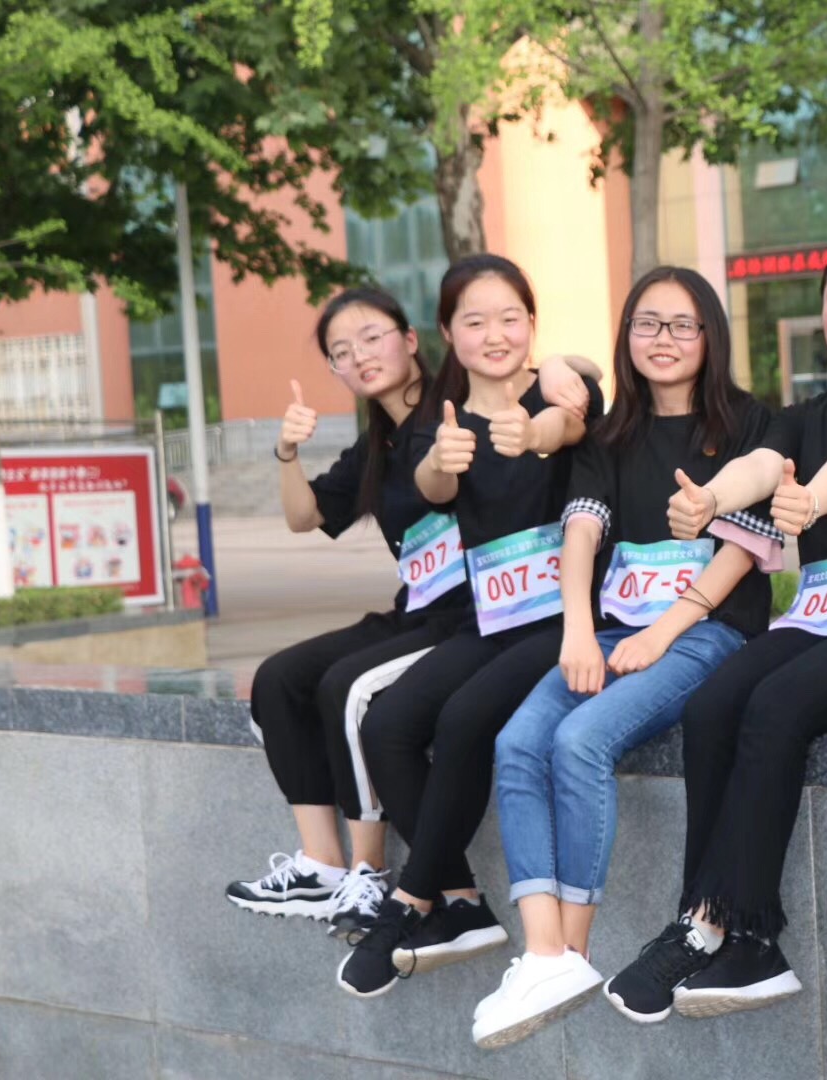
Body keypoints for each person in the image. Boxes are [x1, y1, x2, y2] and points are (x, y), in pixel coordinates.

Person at [602, 235, 827, 1024]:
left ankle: (748, 935)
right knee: (714, 703)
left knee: (778, 704)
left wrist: (811, 500)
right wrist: (711, 499)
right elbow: (759, 467)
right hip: (821, 611)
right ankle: (700, 920)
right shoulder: (803, 416)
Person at [470, 267, 781, 1049]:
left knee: (580, 740)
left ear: (710, 335)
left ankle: (574, 951)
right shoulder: (612, 434)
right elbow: (582, 529)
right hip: (613, 631)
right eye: (647, 323)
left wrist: (663, 632)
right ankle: (544, 953)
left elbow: (743, 551)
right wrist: (578, 630)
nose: (663, 339)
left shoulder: (751, 422)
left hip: (705, 633)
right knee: (517, 744)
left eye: (681, 324)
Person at [225, 285, 589, 931]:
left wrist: (563, 365)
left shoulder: (457, 394)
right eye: (342, 352)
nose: (360, 356)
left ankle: (376, 873)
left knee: (348, 690)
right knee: (279, 679)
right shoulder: (377, 445)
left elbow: (543, 373)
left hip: (476, 612)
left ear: (413, 339)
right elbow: (304, 516)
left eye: (372, 338)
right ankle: (323, 864)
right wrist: (287, 451)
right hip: (417, 610)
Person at [335, 254, 602, 998]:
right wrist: (443, 462)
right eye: (475, 321)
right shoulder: (440, 426)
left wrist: (541, 418)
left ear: (532, 323)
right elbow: (433, 482)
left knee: (463, 721)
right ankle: (459, 900)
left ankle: (408, 900)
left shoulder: (563, 392)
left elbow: (571, 418)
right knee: (387, 724)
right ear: (447, 333)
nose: (495, 335)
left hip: (566, 619)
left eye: (510, 318)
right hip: (493, 622)